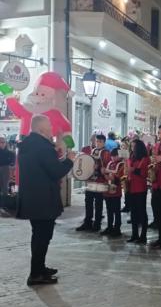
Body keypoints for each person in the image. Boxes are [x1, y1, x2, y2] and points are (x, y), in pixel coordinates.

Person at [17, 115, 75, 285]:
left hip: (33, 197)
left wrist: (59, 157)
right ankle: (36, 274)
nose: (51, 128)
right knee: (42, 237)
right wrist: (69, 161)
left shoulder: (29, 144)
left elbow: (44, 167)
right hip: (43, 199)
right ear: (41, 128)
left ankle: (39, 268)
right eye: (49, 125)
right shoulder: (43, 147)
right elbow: (55, 172)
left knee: (39, 235)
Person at [76, 134, 110, 232]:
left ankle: (97, 224)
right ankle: (88, 222)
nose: (97, 143)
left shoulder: (106, 152)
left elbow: (107, 166)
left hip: (100, 181)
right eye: (96, 141)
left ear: (104, 142)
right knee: (88, 201)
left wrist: (99, 168)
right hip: (91, 180)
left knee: (98, 203)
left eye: (100, 141)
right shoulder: (94, 150)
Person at [126, 139, 149, 244]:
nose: (132, 148)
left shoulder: (145, 158)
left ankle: (143, 236)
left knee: (142, 212)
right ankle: (134, 234)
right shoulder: (132, 157)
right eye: (131, 146)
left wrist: (133, 170)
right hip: (131, 187)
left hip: (140, 188)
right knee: (133, 212)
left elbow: (145, 173)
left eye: (133, 146)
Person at [101, 148, 125, 237]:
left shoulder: (121, 164)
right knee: (109, 210)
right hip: (108, 190)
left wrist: (113, 177)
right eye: (112, 156)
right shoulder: (110, 163)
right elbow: (106, 175)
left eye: (115, 156)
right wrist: (104, 173)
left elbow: (121, 177)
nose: (113, 158)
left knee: (116, 210)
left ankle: (117, 228)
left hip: (116, 191)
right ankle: (109, 227)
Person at [0, 134, 15, 204]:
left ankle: (4, 201)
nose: (1, 144)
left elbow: (13, 163)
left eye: (3, 142)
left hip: (6, 169)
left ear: (6, 143)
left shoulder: (10, 153)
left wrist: (11, 167)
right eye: (0, 142)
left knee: (5, 185)